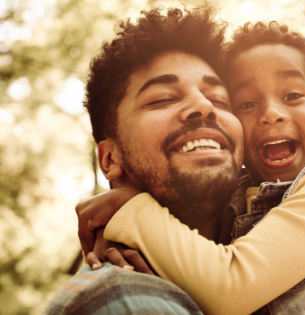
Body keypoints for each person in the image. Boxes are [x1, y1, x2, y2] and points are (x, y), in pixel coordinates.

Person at [76, 18, 305, 315]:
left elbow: (231, 287)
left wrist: (128, 210)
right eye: (246, 104)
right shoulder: (233, 209)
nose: (271, 113)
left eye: (292, 95)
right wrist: (115, 232)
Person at [46, 6, 245, 314]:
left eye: (219, 99)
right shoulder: (123, 297)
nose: (204, 107)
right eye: (163, 98)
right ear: (110, 158)